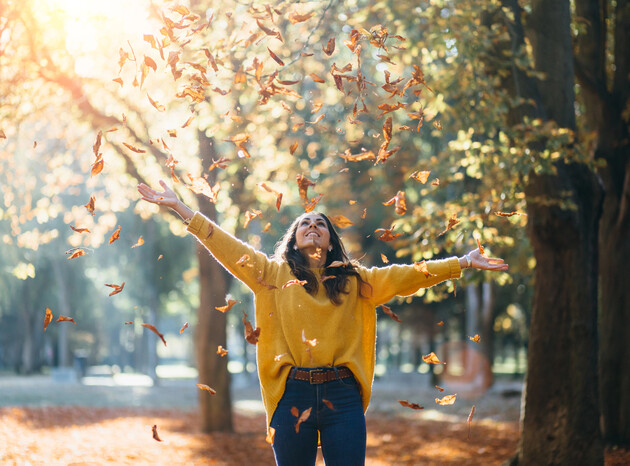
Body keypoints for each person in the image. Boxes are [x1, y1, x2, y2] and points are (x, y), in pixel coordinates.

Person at [137, 180, 508, 466]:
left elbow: (408, 274)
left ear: (330, 241)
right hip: (291, 394)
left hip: (342, 397)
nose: (312, 225)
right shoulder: (270, 274)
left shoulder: (355, 280)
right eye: (304, 223)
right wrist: (181, 208)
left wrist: (462, 262)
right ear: (295, 240)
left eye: (320, 224)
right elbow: (227, 247)